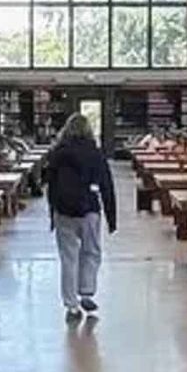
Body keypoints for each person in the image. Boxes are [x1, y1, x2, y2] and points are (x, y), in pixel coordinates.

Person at [44, 113, 116, 321]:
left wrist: (52, 212)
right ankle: (86, 291)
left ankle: (71, 306)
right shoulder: (94, 152)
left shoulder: (57, 153)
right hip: (89, 209)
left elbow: (50, 184)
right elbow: (106, 185)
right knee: (91, 252)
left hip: (63, 211)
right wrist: (111, 217)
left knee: (68, 257)